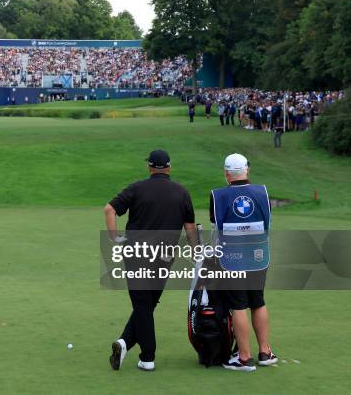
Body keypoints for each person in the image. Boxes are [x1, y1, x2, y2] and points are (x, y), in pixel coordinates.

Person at [105, 150, 196, 372]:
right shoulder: (181, 192)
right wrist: (197, 253)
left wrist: (114, 237)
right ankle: (125, 343)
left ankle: (147, 357)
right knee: (147, 304)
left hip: (136, 254)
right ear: (169, 167)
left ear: (149, 168)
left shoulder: (137, 188)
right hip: (164, 256)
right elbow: (190, 227)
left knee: (143, 305)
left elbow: (109, 209)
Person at [210, 154, 278, 372]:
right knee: (258, 301)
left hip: (232, 259)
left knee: (238, 305)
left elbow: (216, 225)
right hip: (259, 256)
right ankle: (265, 352)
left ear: (226, 174)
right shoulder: (263, 192)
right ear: (247, 170)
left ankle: (244, 357)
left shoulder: (218, 196)